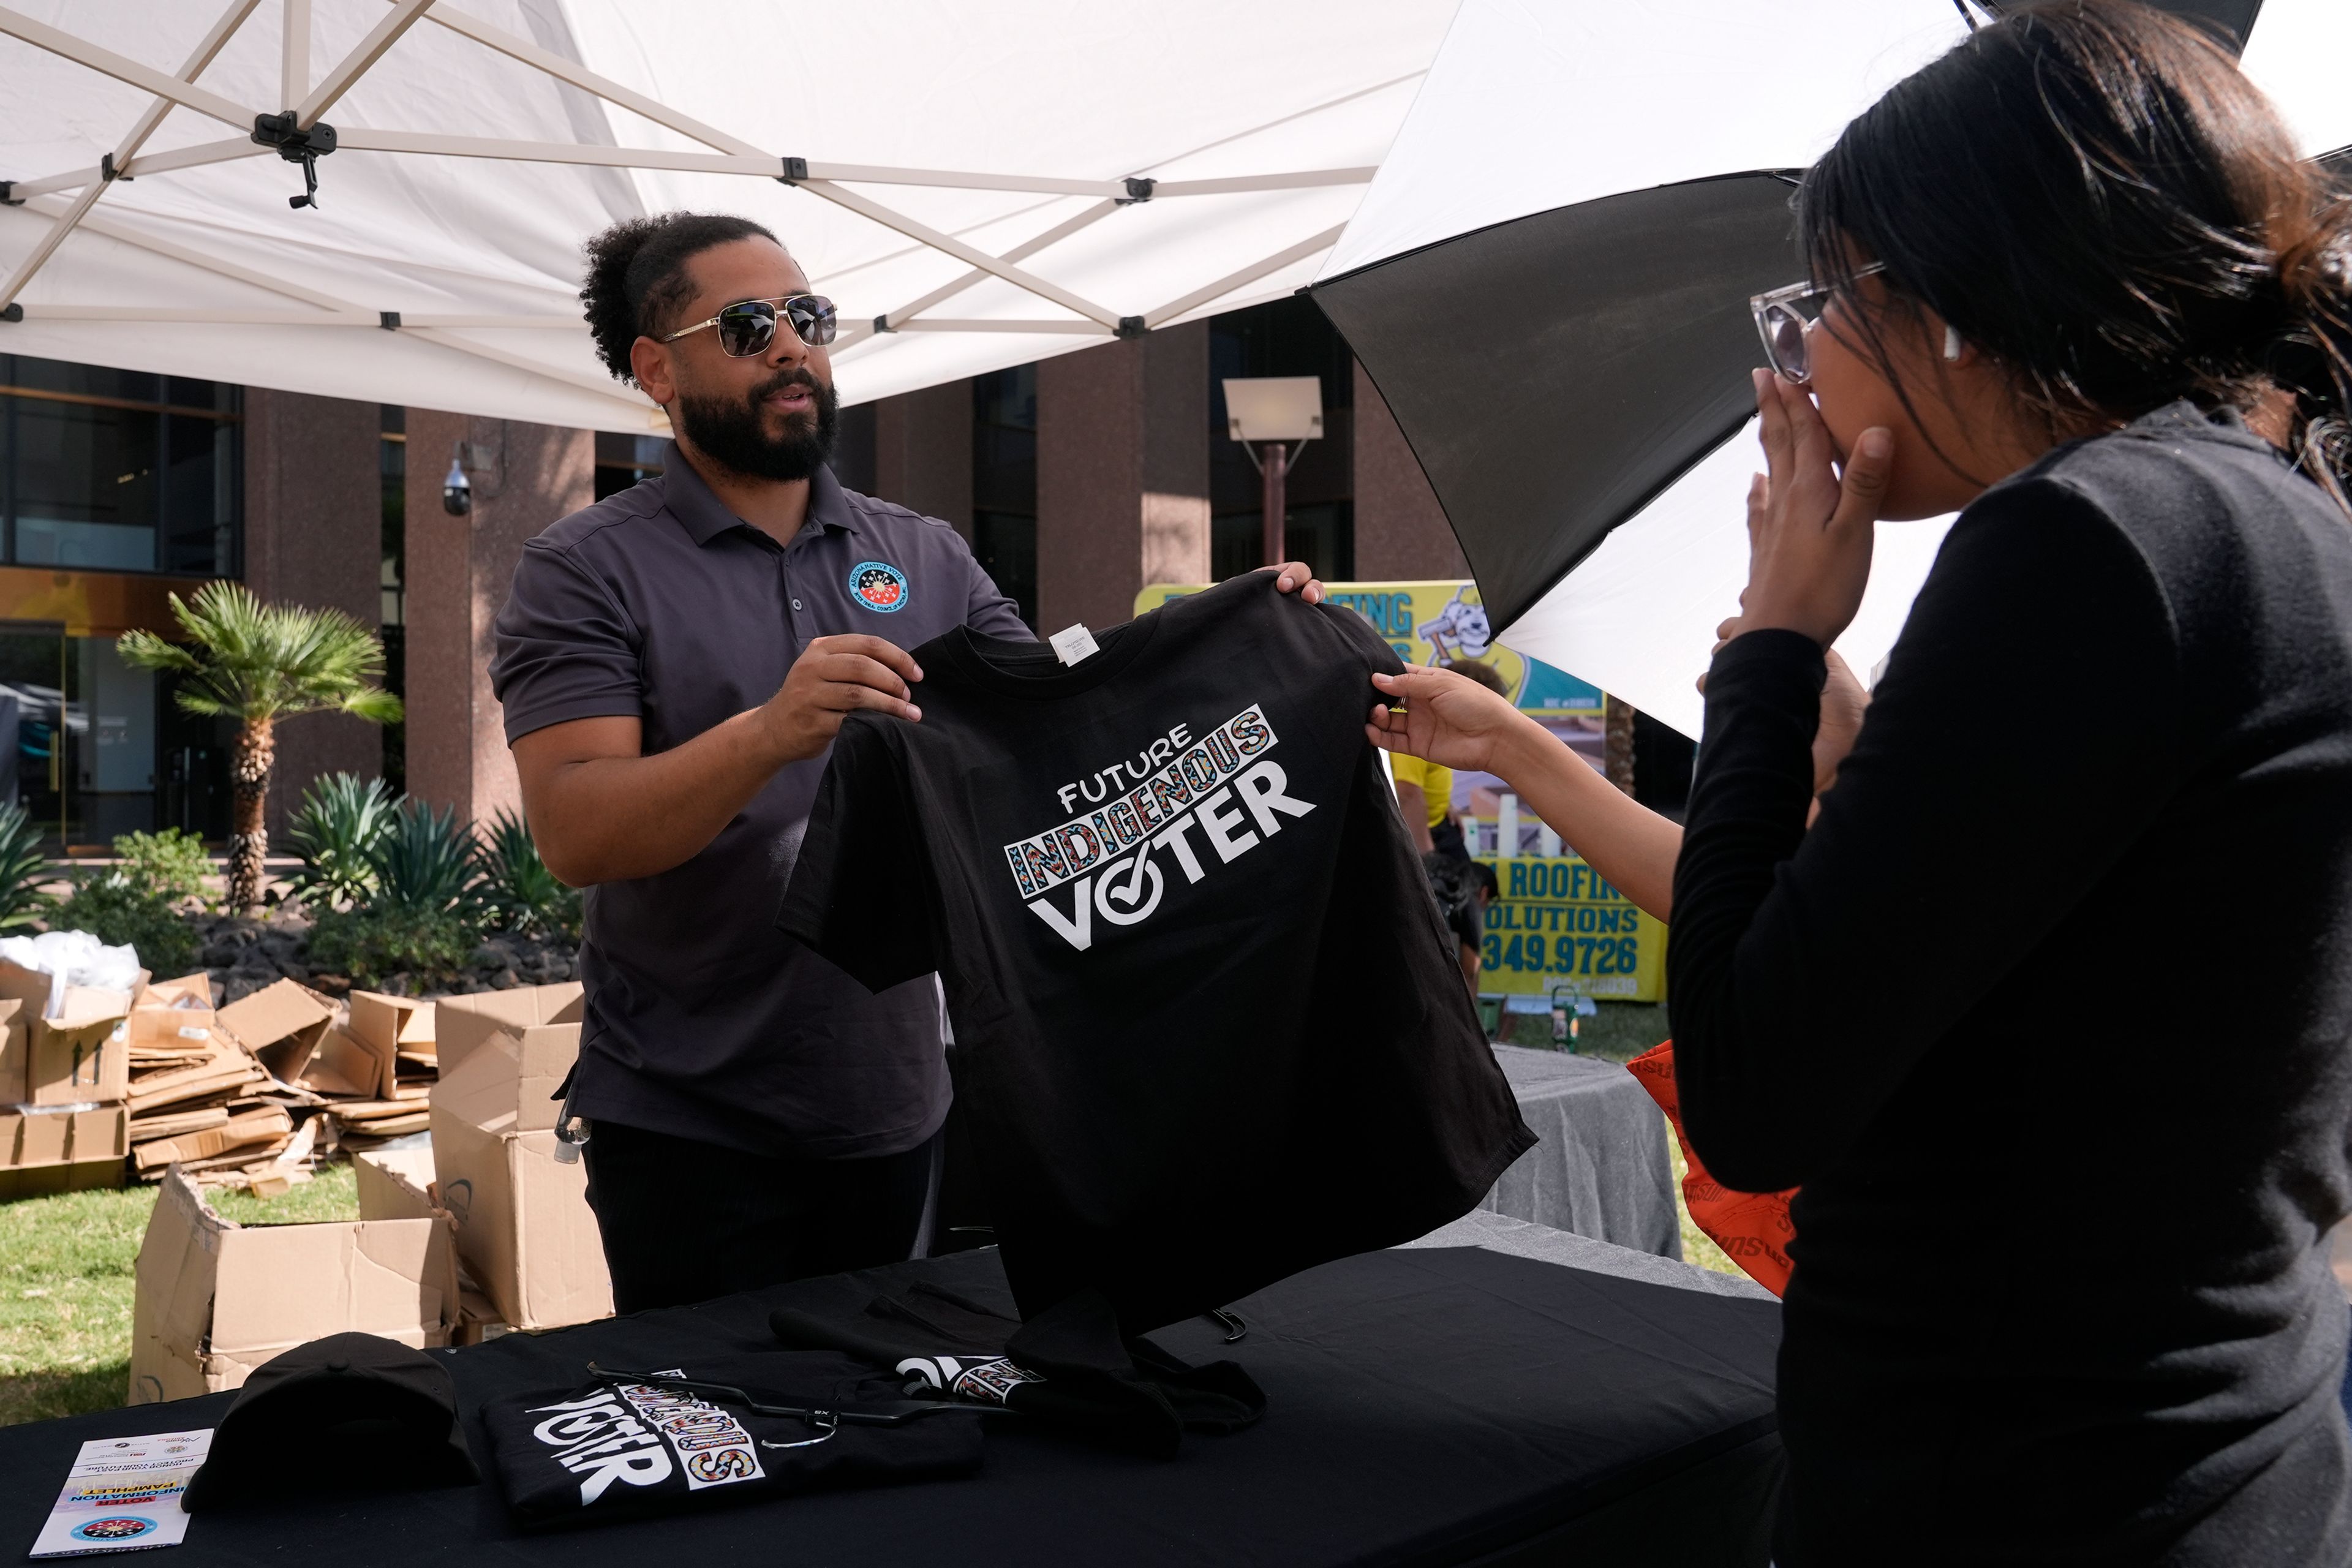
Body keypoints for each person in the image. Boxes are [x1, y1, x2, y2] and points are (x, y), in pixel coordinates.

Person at [1370, 6, 2352, 1561]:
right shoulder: (2271, 527)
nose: (1798, 357)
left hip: (2017, 1482)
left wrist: (1768, 652)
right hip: (2208, 1451)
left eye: (1825, 300)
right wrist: (1825, 755)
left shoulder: (2084, 541)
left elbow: (1757, 1090)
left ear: (1953, 304)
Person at [490, 211, 1327, 1311]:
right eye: (746, 325)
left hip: (898, 1107)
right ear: (657, 369)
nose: (791, 345)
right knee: (732, 1450)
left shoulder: (922, 551)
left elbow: (1058, 730)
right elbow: (576, 831)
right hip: (689, 1127)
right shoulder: (584, 569)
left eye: (809, 317)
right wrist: (774, 729)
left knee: (897, 1436)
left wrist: (1239, 644)